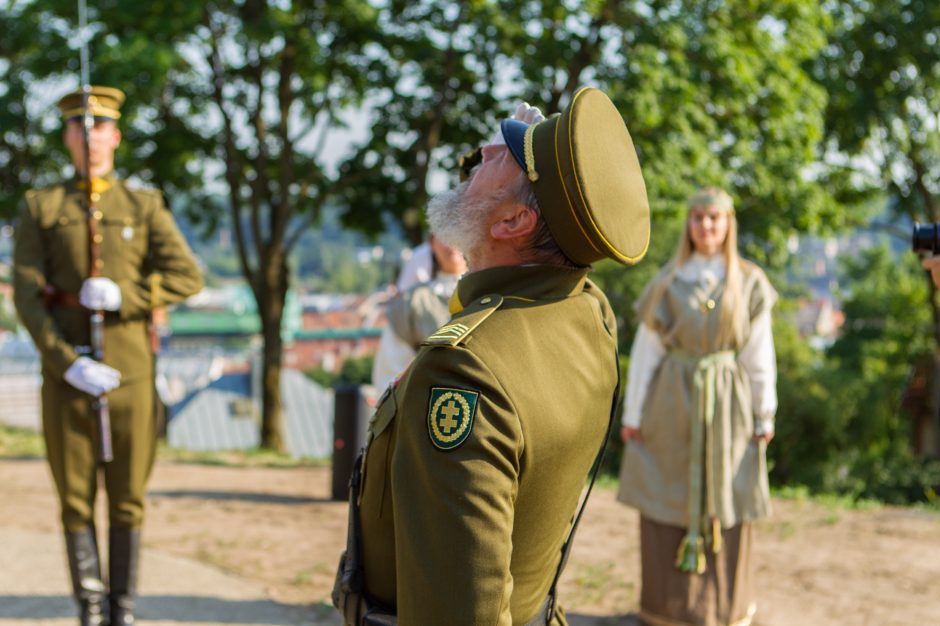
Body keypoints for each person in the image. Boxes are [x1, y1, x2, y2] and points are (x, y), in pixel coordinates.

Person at [332, 87, 651, 626]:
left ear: (511, 224)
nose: (478, 155)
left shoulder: (462, 370)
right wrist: (521, 154)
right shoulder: (587, 313)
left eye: (498, 155)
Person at [12, 86, 203, 626]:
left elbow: (188, 276)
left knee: (127, 500)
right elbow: (27, 294)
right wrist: (64, 361)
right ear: (66, 135)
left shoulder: (143, 205)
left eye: (99, 127)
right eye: (79, 126)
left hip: (131, 378)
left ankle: (123, 610)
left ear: (116, 136)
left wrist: (129, 295)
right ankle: (90, 611)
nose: (89, 136)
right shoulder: (40, 207)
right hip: (68, 378)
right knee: (74, 501)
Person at [615, 187, 777, 626]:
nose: (706, 226)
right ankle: (667, 609)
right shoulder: (668, 281)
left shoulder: (749, 281)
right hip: (671, 402)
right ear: (688, 225)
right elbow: (647, 353)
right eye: (698, 218)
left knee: (728, 493)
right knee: (667, 491)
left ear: (728, 224)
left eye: (714, 218)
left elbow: (759, 354)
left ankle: (725, 608)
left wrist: (765, 412)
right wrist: (633, 415)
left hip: (728, 403)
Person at [371, 235, 467, 390]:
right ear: (432, 242)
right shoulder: (414, 302)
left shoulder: (495, 293)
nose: (451, 239)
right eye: (444, 231)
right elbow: (390, 375)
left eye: (460, 229)